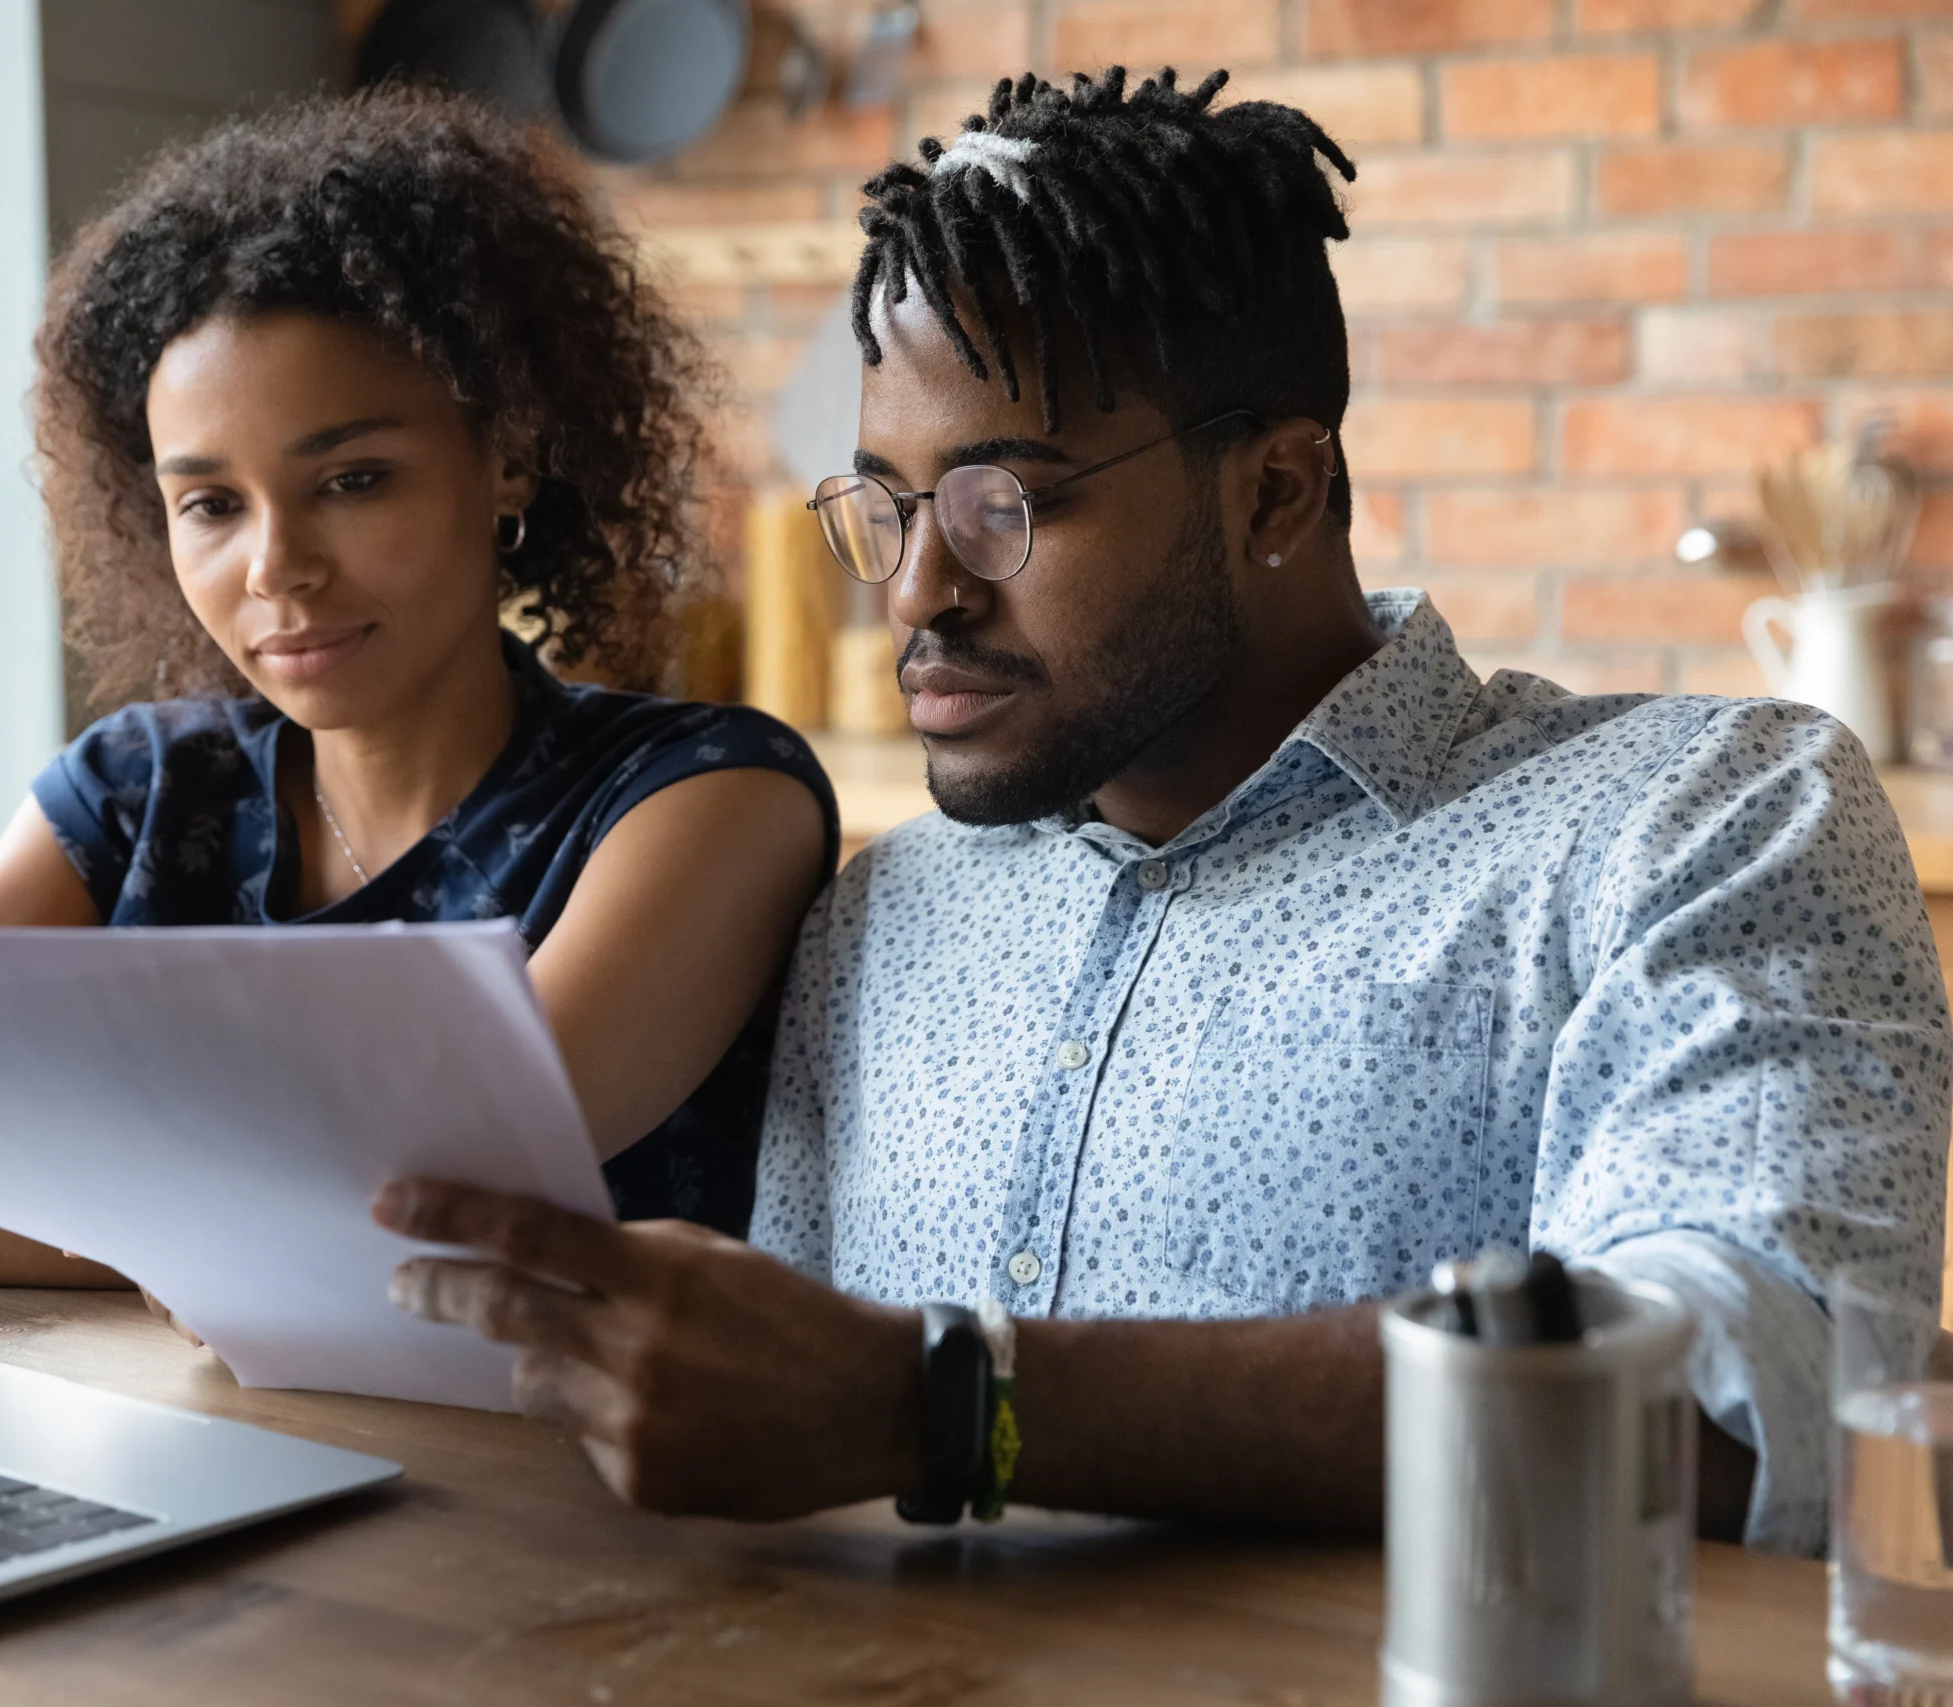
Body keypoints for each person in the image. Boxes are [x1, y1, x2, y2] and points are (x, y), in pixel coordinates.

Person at [373, 68, 1950, 1553]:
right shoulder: (882, 912)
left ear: (1275, 491)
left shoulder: (1692, 821)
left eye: (1008, 503)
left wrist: (945, 1401)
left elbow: (1750, 1403)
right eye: (887, 505)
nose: (915, 590)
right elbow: (779, 1434)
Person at [0, 89, 835, 1282]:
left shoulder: (704, 798)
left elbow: (425, 1191)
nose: (277, 568)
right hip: (189, 1431)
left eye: (354, 480)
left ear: (507, 458)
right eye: (209, 503)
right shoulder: (138, 791)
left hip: (561, 1463)